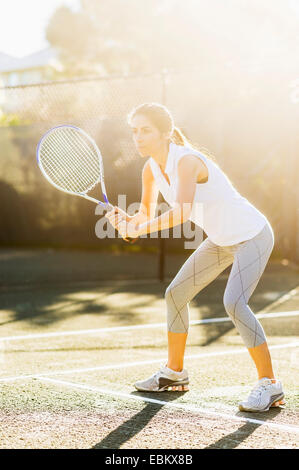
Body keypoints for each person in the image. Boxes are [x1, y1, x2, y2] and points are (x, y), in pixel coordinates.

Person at [105, 102, 285, 412]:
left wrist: (141, 228)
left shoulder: (186, 161)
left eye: (145, 130)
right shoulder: (150, 169)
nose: (138, 137)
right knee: (175, 294)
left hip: (252, 234)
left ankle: (270, 384)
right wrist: (127, 222)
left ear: (165, 133)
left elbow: (182, 212)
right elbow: (146, 214)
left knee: (234, 302)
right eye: (134, 131)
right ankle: (175, 372)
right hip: (220, 240)